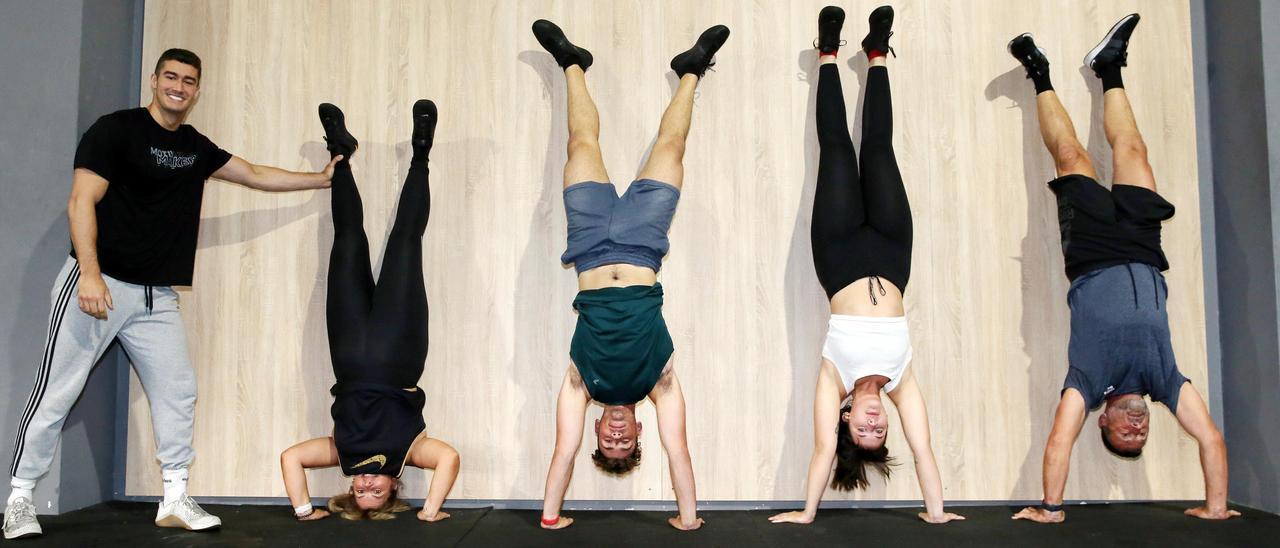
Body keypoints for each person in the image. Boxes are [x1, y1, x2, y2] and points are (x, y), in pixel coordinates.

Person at [4, 48, 338, 540]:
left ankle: (175, 498)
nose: (179, 87)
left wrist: (320, 179)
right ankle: (19, 498)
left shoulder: (195, 147)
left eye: (189, 81)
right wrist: (91, 276)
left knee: (179, 393)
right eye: (171, 77)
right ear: (155, 80)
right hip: (99, 283)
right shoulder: (115, 130)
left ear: (197, 90)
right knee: (56, 392)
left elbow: (254, 174)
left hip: (155, 296)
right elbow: (81, 200)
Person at [1006, 14, 1238, 523]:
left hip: (1090, 253)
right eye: (1142, 434)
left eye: (1124, 434)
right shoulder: (1167, 381)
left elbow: (1058, 442)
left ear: (1102, 420)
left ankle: (1038, 73)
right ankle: (1110, 68)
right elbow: (1211, 438)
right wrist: (1216, 507)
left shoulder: (1086, 385)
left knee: (1071, 156)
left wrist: (1051, 507)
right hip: (1143, 247)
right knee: (1134, 151)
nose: (1137, 429)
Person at [530, 19, 728, 532]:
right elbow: (679, 451)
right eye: (625, 441)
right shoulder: (659, 383)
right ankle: (691, 72)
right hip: (642, 243)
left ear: (597, 428)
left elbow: (562, 452)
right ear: (640, 430)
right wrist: (688, 519)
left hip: (592, 247)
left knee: (579, 144)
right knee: (670, 149)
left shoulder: (581, 384)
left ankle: (572, 62)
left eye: (608, 440)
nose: (616, 434)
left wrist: (550, 517)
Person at [768, 5, 963, 526]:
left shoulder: (835, 380)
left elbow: (820, 454)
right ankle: (877, 53)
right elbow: (923, 451)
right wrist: (937, 513)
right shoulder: (901, 380)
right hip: (893, 255)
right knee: (878, 148)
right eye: (881, 432)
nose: (875, 425)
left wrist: (807, 514)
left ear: (848, 420)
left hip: (837, 255)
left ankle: (827, 53)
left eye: (864, 432)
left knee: (836, 148)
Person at [278, 101, 459, 523]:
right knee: (405, 242)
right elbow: (448, 458)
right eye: (376, 493)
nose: (366, 486)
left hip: (349, 351)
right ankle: (421, 153)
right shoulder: (408, 454)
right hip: (400, 352)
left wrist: (305, 512)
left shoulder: (341, 455)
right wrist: (430, 511)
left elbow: (290, 458)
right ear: (395, 488)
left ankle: (339, 153)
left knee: (346, 241)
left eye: (360, 492)